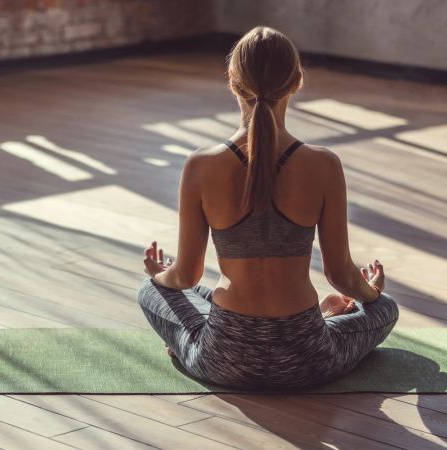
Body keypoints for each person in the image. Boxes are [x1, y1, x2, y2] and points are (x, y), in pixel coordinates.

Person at [136, 26, 399, 390]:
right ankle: (326, 316)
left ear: (232, 81)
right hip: (309, 357)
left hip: (225, 359)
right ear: (297, 81)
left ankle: (184, 345)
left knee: (151, 291)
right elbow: (342, 276)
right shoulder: (324, 164)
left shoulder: (201, 165)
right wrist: (371, 294)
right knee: (386, 309)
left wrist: (160, 275)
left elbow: (187, 278)